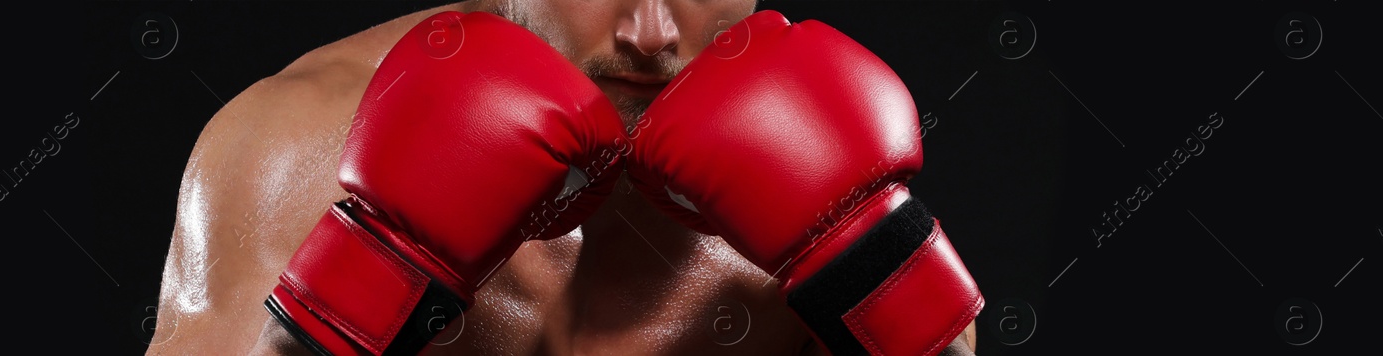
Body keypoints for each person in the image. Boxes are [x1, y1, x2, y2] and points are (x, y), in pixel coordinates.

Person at [148, 1, 981, 355]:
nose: (651, 34)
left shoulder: (826, 186)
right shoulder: (297, 148)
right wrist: (351, 289)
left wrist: (881, 264)